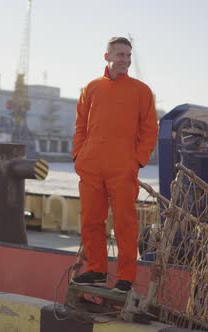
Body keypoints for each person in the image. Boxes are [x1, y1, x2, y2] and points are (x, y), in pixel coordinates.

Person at [70, 36, 158, 293]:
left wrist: (137, 161)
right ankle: (96, 270)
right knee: (91, 220)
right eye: (120, 55)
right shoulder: (91, 88)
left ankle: (125, 277)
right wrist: (79, 156)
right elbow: (80, 126)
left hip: (123, 167)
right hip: (91, 166)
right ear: (107, 57)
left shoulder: (141, 91)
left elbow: (150, 130)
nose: (125, 60)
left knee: (125, 223)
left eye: (128, 55)